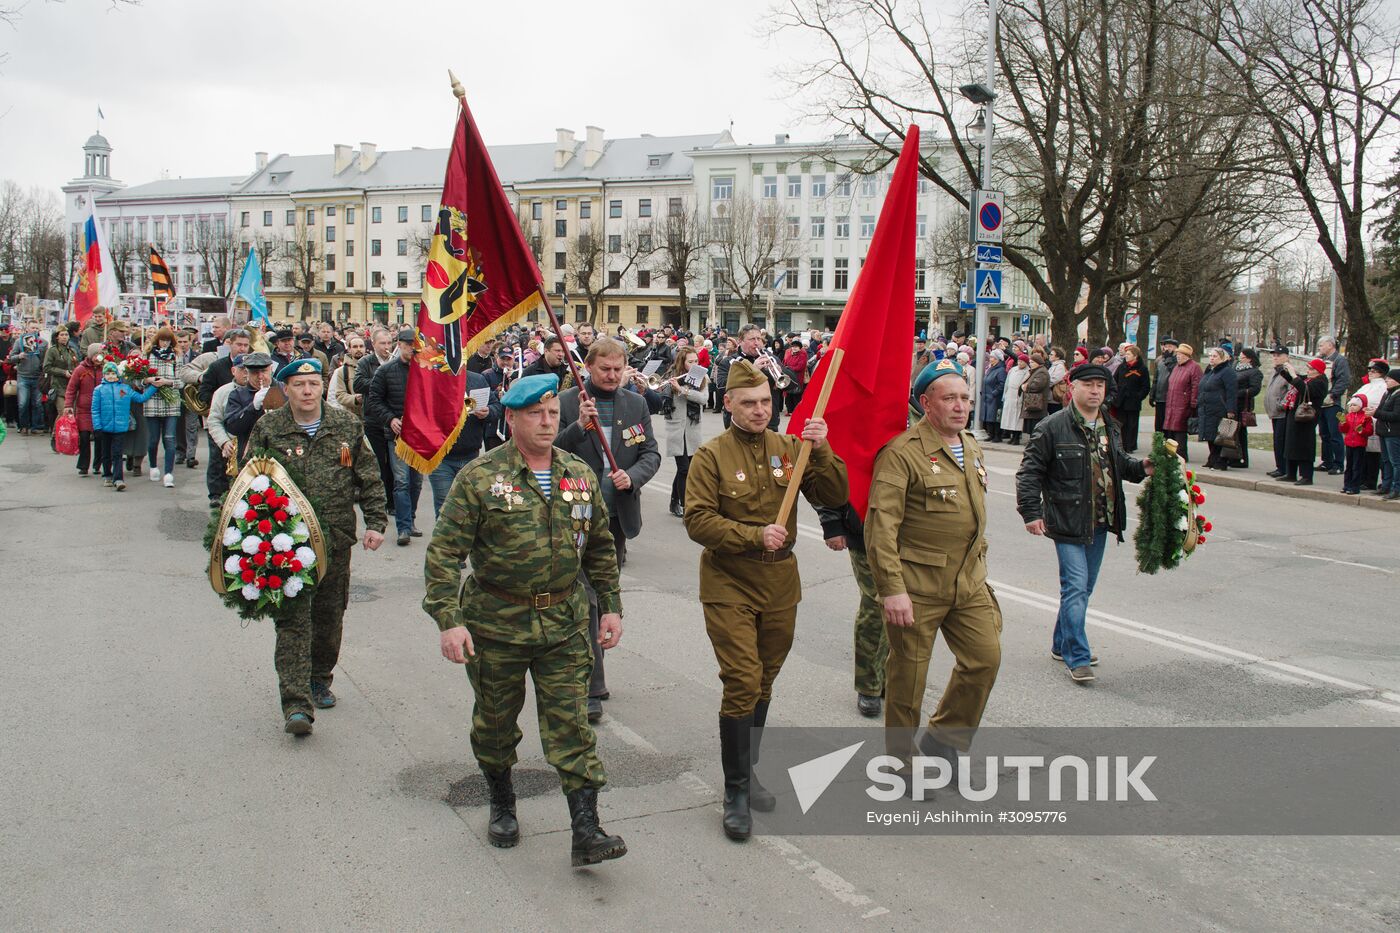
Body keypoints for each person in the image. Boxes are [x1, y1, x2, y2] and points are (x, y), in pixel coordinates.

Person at [422, 373, 628, 867]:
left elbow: (599, 546)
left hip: (564, 623)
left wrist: (612, 605)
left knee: (572, 725)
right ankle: (502, 800)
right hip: (496, 626)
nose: (546, 421)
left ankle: (586, 827)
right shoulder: (480, 477)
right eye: (535, 413)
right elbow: (444, 555)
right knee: (495, 725)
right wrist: (449, 619)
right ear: (510, 418)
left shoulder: (578, 472)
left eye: (553, 413)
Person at [683, 359, 847, 841]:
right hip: (729, 581)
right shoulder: (712, 455)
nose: (759, 411)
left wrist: (822, 447)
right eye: (749, 403)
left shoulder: (790, 448)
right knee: (743, 679)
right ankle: (736, 791)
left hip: (780, 584)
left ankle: (749, 772)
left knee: (765, 680)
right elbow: (698, 520)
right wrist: (753, 535)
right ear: (728, 403)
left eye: (766, 403)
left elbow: (835, 494)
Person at [864, 358, 1000, 782]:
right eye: (949, 398)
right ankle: (902, 764)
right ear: (926, 403)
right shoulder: (903, 453)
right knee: (909, 681)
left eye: (964, 397)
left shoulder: (972, 445)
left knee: (984, 660)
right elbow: (880, 529)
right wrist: (892, 590)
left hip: (968, 582)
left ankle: (945, 740)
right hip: (917, 587)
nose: (960, 406)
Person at [245, 357, 387, 733]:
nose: (307, 391)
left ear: (322, 386)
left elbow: (368, 476)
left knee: (329, 616)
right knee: (292, 620)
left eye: (313, 384)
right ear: (286, 389)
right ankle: (295, 706)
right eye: (299, 385)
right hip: (284, 542)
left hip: (336, 539)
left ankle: (319, 678)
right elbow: (247, 482)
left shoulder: (346, 424)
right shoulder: (269, 428)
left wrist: (375, 522)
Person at [1015, 364, 1151, 683]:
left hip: (1101, 521)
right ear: (1071, 388)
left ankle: (1062, 644)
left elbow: (1119, 466)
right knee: (1075, 586)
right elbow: (1029, 473)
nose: (1095, 391)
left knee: (1083, 589)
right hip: (1067, 520)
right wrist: (1031, 512)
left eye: (1100, 386)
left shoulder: (1109, 425)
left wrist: (1143, 467)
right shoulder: (1052, 427)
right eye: (1088, 384)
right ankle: (1077, 656)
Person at [555, 337, 661, 722]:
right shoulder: (566, 402)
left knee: (604, 597)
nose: (613, 375)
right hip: (571, 519)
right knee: (586, 600)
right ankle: (591, 686)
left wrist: (631, 477)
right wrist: (578, 428)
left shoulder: (634, 404)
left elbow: (650, 452)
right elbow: (547, 452)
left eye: (618, 369)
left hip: (613, 520)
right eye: (605, 369)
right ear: (588, 366)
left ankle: (588, 672)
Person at [818, 502, 887, 718]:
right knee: (876, 606)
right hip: (865, 532)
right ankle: (869, 686)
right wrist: (832, 524)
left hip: (910, 537)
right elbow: (829, 477)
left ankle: (888, 675)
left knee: (905, 610)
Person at [366, 328, 423, 546]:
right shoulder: (386, 371)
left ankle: (412, 520)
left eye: (415, 345)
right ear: (400, 344)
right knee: (401, 481)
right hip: (397, 435)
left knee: (416, 482)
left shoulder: (425, 371)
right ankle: (403, 527)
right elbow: (374, 400)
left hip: (420, 436)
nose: (412, 348)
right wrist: (390, 419)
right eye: (408, 344)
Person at [426, 369, 501, 517]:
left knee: (470, 507)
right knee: (444, 507)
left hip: (470, 456)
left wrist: (488, 412)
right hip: (441, 457)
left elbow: (496, 407)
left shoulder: (477, 380)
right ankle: (444, 540)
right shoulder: (433, 379)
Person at [656, 347, 708, 518]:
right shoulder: (672, 375)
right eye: (690, 362)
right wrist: (667, 387)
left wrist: (683, 390)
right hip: (676, 429)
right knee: (684, 469)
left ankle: (674, 501)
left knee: (687, 470)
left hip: (693, 429)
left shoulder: (701, 377)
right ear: (682, 362)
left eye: (696, 361)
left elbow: (703, 399)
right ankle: (687, 508)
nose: (694, 365)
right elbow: (659, 396)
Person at [90, 362, 156, 491]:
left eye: (113, 373)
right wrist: (97, 426)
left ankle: (118, 478)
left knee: (117, 453)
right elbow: (95, 410)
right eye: (107, 373)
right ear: (104, 375)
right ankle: (107, 475)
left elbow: (141, 398)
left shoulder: (125, 389)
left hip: (120, 427)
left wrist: (154, 387)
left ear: (117, 374)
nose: (110, 376)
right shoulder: (99, 390)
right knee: (106, 453)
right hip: (104, 427)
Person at [354, 327, 397, 515]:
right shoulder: (366, 362)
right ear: (373, 344)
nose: (386, 347)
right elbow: (358, 384)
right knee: (378, 464)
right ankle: (379, 502)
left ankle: (393, 503)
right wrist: (382, 376)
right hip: (373, 419)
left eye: (389, 343)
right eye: (382, 343)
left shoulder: (396, 362)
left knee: (394, 466)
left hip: (393, 419)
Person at [721, 324, 784, 430]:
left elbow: (792, 386)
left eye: (759, 338)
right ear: (740, 341)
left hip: (768, 420)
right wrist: (752, 370)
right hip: (740, 422)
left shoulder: (772, 358)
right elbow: (722, 388)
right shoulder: (728, 362)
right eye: (752, 339)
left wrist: (781, 372)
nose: (757, 343)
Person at [1278, 357, 1328, 486]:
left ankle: (1306, 475)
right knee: (1291, 444)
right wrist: (1284, 370)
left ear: (1318, 371)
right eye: (1309, 368)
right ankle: (1291, 473)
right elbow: (1296, 380)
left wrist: (1294, 375)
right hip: (1295, 413)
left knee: (1304, 446)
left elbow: (1305, 389)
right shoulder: (1308, 379)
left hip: (1307, 416)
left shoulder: (1320, 382)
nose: (1309, 371)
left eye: (1311, 369)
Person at [222, 353, 277, 459]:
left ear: (271, 369)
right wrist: (252, 407)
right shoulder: (237, 394)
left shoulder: (283, 389)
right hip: (251, 456)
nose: (260, 376)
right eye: (255, 373)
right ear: (247, 373)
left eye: (264, 371)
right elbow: (232, 428)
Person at [62, 344, 104, 475]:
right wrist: (68, 405)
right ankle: (83, 465)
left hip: (101, 409)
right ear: (91, 355)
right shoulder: (80, 370)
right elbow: (71, 389)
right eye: (96, 354)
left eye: (100, 354)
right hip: (84, 409)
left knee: (100, 438)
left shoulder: (105, 369)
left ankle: (98, 464)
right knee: (84, 437)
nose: (98, 357)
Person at [1197, 347, 1239, 470]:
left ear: (1223, 358)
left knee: (1221, 436)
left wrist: (1231, 409)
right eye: (1210, 355)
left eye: (1215, 356)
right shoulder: (1210, 371)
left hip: (1220, 408)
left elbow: (1231, 392)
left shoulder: (1227, 372)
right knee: (1209, 435)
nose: (1211, 358)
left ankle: (1220, 460)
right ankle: (1212, 458)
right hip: (1207, 408)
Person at [1315, 336, 1351, 475]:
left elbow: (1343, 380)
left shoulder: (1340, 361)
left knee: (1335, 434)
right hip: (1321, 404)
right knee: (1324, 434)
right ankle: (1327, 461)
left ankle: (1339, 464)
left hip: (1333, 404)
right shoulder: (1322, 360)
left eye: (1321, 345)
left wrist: (1332, 395)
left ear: (1330, 345)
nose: (1320, 348)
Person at [1161, 343, 1202, 461]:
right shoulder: (1176, 367)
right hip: (1172, 404)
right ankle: (1171, 454)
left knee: (1180, 431)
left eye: (1180, 354)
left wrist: (1193, 403)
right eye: (1177, 354)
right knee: (1171, 431)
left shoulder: (1194, 367)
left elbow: (1196, 386)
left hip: (1183, 405)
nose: (1178, 356)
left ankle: (1181, 455)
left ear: (1187, 356)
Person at [7, 323, 47, 435]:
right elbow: (11, 358)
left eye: (36, 328)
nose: (34, 330)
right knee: (23, 403)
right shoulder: (19, 341)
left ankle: (36, 426)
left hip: (37, 376)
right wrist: (19, 356)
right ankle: (24, 426)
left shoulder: (43, 343)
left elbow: (45, 360)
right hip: (23, 376)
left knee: (37, 403)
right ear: (27, 329)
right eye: (32, 327)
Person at [43, 327, 78, 448]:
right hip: (58, 386)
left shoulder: (72, 351)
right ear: (57, 336)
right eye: (62, 334)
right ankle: (54, 436)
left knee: (70, 414)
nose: (64, 337)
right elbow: (46, 367)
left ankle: (64, 438)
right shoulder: (52, 351)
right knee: (63, 411)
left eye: (66, 334)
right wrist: (63, 372)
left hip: (71, 386)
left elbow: (76, 365)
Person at [1262, 347, 1293, 477]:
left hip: (1282, 413)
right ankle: (1279, 466)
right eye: (1274, 355)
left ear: (1286, 356)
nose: (1275, 357)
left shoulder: (1288, 371)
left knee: (1281, 441)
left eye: (1278, 355)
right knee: (1276, 440)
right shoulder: (1276, 372)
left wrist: (1281, 404)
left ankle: (1284, 468)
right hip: (1274, 412)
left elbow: (1291, 390)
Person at [1114, 344, 1150, 452]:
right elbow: (1114, 381)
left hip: (1133, 402)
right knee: (1121, 424)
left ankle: (1130, 446)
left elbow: (1146, 386)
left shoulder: (1142, 369)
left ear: (1135, 356)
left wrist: (1138, 397)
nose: (1126, 356)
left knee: (1132, 425)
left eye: (1129, 354)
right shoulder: (1122, 367)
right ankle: (1121, 445)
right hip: (1121, 401)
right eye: (1126, 354)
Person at [1373, 367, 1400, 500]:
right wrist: (1374, 411)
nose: (1387, 380)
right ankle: (1386, 485)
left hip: (1393, 433)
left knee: (1395, 462)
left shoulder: (1398, 395)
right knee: (1385, 461)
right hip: (1383, 431)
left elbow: (1396, 415)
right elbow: (1380, 409)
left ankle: (1396, 489)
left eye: (1389, 379)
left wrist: (1376, 413)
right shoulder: (1387, 393)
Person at [1339, 397, 1373, 495]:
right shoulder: (1348, 416)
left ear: (1361, 406)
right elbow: (1344, 430)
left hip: (1359, 444)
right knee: (1348, 466)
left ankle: (1354, 487)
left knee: (1356, 466)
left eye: (1355, 405)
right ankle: (1346, 485)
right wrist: (1342, 423)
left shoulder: (1366, 418)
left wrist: (1362, 431)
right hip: (1349, 443)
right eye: (1351, 405)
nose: (1352, 407)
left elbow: (1370, 431)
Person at [328, 333, 366, 414]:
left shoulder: (376, 368)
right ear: (349, 349)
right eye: (355, 347)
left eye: (361, 346)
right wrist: (355, 399)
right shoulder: (341, 371)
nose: (359, 349)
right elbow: (339, 395)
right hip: (352, 416)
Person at [1150, 336, 1180, 435]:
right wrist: (1152, 394)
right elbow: (1156, 379)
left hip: (1170, 398)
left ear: (1176, 348)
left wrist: (1169, 361)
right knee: (1158, 425)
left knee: (1168, 426)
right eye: (1165, 346)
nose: (1167, 349)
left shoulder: (1177, 361)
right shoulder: (1160, 361)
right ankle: (1158, 447)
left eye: (1170, 346)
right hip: (1159, 398)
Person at [999, 354, 1030, 444]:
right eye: (1019, 361)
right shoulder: (1013, 370)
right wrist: (1005, 394)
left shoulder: (1028, 372)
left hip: (1018, 395)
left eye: (1022, 361)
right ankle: (1011, 435)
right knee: (1009, 416)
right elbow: (1007, 382)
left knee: (1017, 418)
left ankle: (1016, 436)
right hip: (1010, 394)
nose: (1020, 363)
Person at [1021, 351, 1051, 437]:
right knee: (1032, 428)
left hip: (1036, 404)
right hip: (1033, 403)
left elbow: (1037, 386)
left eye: (1032, 362)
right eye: (1030, 362)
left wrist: (1026, 386)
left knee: (1035, 427)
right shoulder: (1036, 371)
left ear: (1038, 362)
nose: (1030, 364)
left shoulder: (1042, 372)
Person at [980, 349, 1007, 441]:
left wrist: (994, 393)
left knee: (995, 417)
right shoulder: (991, 369)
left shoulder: (1001, 370)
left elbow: (1002, 384)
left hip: (995, 398)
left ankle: (997, 435)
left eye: (992, 357)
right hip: (987, 396)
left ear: (998, 359)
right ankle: (991, 434)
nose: (990, 359)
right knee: (988, 416)